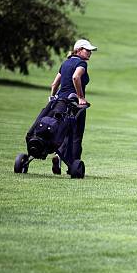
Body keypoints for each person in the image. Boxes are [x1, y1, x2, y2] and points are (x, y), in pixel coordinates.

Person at [48, 38, 97, 174]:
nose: (90, 53)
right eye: (87, 50)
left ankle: (58, 156)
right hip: (74, 104)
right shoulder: (81, 63)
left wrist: (52, 98)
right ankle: (73, 166)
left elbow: (54, 84)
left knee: (63, 132)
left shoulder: (65, 63)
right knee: (76, 135)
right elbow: (76, 77)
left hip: (60, 103)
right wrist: (81, 97)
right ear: (79, 50)